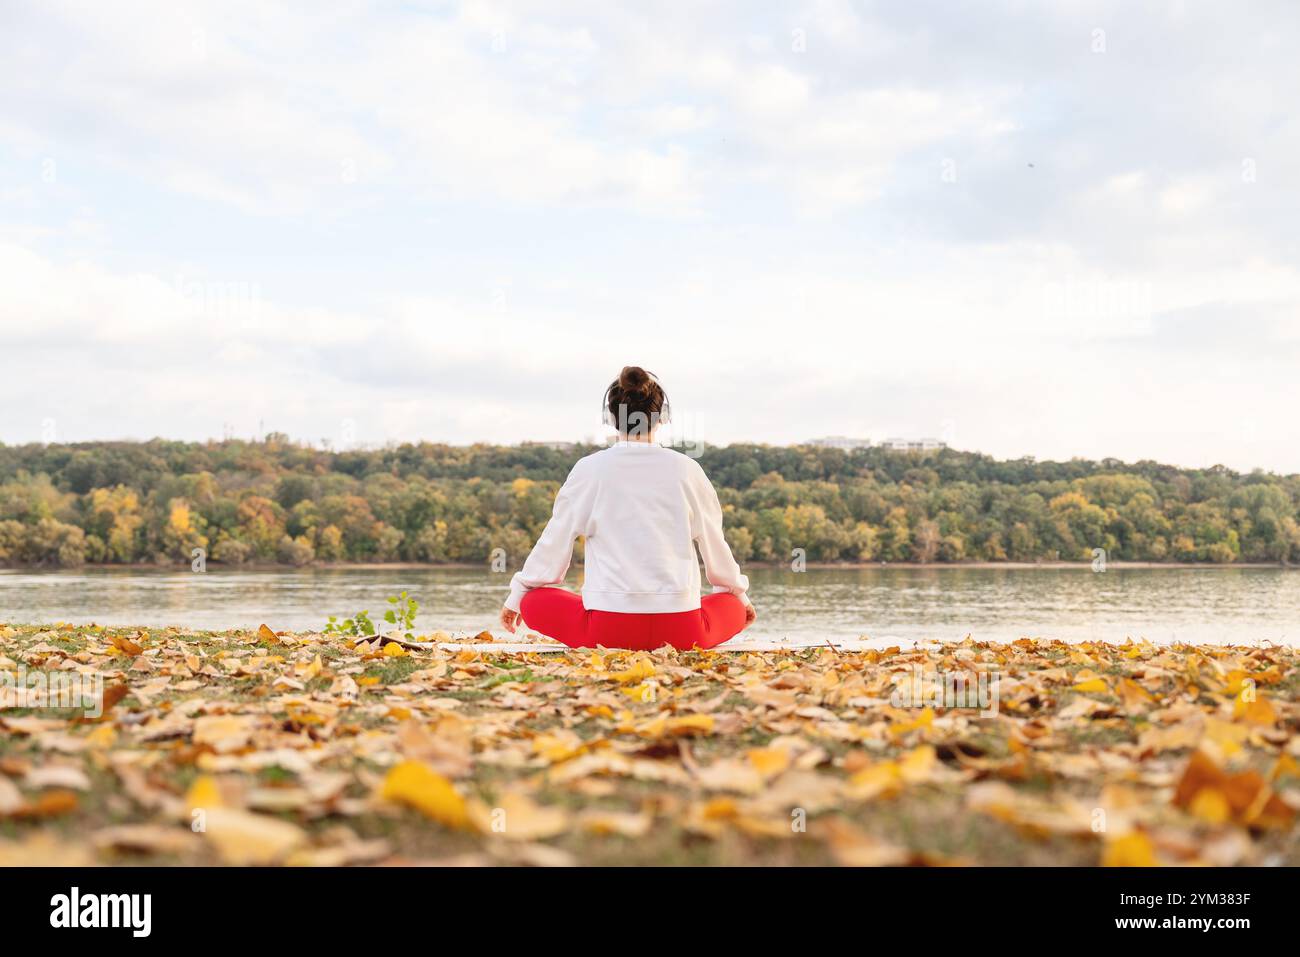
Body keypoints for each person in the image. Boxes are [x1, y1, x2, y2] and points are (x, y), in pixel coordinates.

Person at [499, 366, 756, 650]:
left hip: (605, 632)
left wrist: (517, 596)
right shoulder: (688, 470)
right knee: (729, 603)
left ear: (610, 417)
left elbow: (554, 543)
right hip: (684, 631)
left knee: (533, 601)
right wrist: (739, 597)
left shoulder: (589, 470)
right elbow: (714, 544)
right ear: (663, 417)